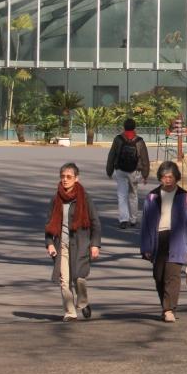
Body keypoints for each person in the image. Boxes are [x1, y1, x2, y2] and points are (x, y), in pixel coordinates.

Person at [139, 160, 187, 323]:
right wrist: (145, 247)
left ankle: (169, 309)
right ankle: (166, 307)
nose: (168, 180)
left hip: (178, 239)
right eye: (164, 177)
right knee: (159, 275)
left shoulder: (185, 197)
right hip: (157, 239)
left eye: (171, 177)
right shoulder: (152, 197)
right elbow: (145, 223)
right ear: (160, 178)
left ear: (176, 177)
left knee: (172, 275)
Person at [44, 162, 101, 322]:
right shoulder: (56, 199)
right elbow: (49, 224)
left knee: (79, 277)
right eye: (62, 176)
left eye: (69, 177)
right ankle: (70, 312)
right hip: (61, 245)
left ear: (76, 178)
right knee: (64, 280)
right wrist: (49, 243)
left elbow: (95, 223)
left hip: (81, 244)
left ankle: (83, 302)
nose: (65, 180)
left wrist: (95, 244)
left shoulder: (85, 198)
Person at [106, 118, 150, 229]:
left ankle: (123, 220)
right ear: (135, 127)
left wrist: (109, 170)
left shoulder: (118, 139)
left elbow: (111, 155)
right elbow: (145, 158)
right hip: (134, 171)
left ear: (123, 127)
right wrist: (145, 175)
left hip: (120, 170)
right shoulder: (139, 141)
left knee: (122, 195)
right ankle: (133, 219)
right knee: (133, 194)